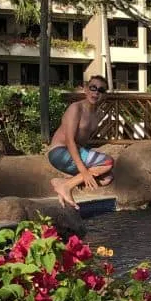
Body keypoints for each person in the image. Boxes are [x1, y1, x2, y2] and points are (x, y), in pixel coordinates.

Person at [48, 75, 113, 209]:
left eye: (101, 90)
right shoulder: (76, 108)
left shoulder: (98, 115)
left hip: (74, 152)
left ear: (104, 95)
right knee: (108, 162)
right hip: (59, 152)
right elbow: (69, 140)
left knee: (107, 179)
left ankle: (64, 183)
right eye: (93, 88)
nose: (96, 92)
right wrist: (83, 171)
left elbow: (82, 141)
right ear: (85, 89)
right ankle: (66, 186)